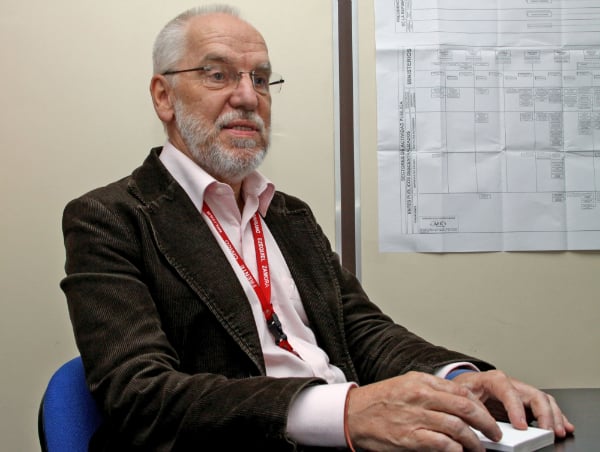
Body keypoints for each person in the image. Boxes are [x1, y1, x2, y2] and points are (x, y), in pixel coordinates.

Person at [61, 4, 574, 451]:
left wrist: (458, 380)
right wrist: (346, 412)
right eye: (218, 75)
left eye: (261, 79)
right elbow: (141, 396)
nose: (247, 97)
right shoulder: (110, 219)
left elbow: (362, 331)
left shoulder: (289, 215)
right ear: (164, 96)